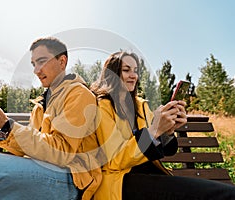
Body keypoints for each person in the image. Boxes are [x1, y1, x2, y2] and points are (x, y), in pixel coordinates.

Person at [0, 37, 102, 200]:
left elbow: (62, 152)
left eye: (42, 61)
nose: (37, 70)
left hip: (71, 180)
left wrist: (6, 127)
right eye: (34, 64)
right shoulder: (41, 104)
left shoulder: (78, 94)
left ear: (62, 62)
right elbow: (35, 148)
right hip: (46, 170)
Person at [90, 51, 235, 200]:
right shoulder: (102, 106)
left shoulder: (141, 106)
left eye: (135, 71)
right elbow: (114, 160)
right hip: (121, 181)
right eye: (126, 70)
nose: (133, 76)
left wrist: (167, 131)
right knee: (225, 195)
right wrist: (153, 131)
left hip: (149, 174)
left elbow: (161, 147)